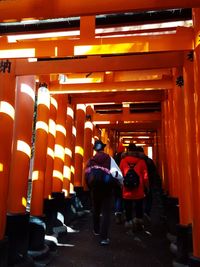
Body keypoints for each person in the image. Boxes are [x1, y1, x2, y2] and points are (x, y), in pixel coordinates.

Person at [85, 140, 122, 245]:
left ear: (95, 149)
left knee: (96, 209)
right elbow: (117, 173)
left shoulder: (91, 160)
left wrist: (90, 187)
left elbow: (86, 175)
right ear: (103, 148)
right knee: (106, 213)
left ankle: (96, 229)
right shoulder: (109, 159)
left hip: (95, 189)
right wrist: (119, 184)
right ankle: (104, 237)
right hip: (107, 189)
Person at [119, 143, 149, 231]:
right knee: (139, 206)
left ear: (127, 150)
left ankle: (129, 222)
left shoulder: (123, 161)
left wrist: (121, 185)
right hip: (139, 188)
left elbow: (120, 174)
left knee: (128, 207)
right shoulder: (141, 161)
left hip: (126, 189)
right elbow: (145, 176)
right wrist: (146, 186)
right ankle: (139, 222)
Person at [136, 146, 160, 221]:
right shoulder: (149, 160)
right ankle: (147, 212)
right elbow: (154, 172)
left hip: (138, 183)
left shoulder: (136, 161)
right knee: (149, 198)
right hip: (148, 182)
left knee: (139, 199)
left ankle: (139, 215)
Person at [113, 142, 125, 224]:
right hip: (123, 180)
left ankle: (117, 214)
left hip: (115, 180)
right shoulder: (124, 159)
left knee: (117, 197)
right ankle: (123, 212)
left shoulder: (114, 158)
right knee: (123, 197)